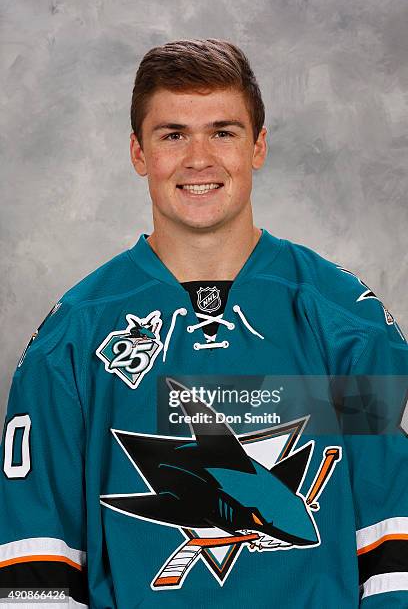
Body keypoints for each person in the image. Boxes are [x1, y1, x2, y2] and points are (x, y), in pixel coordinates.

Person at [0, 38, 407, 609]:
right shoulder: (72, 337)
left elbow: (394, 547)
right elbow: (34, 568)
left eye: (223, 131)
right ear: (139, 153)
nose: (199, 159)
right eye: (172, 135)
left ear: (258, 145)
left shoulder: (347, 322)